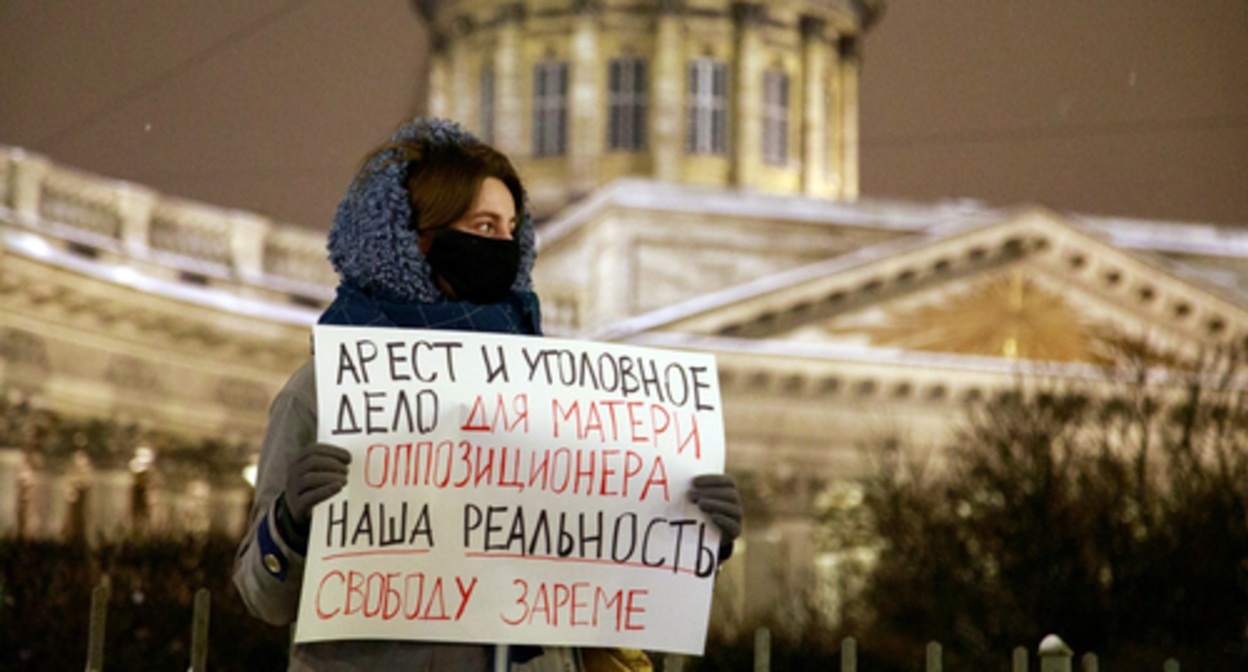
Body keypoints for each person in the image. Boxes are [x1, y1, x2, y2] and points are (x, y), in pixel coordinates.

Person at [233, 118, 743, 672]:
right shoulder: (326, 390)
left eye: (511, 227)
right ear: (417, 238)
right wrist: (290, 524)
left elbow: (599, 566)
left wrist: (688, 530)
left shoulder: (561, 391)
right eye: (483, 226)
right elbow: (263, 598)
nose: (506, 244)